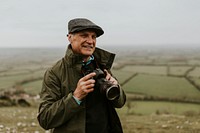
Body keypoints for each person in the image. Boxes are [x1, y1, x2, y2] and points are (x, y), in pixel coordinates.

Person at [37, 18, 126, 133]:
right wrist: (75, 97)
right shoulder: (54, 73)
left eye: (93, 37)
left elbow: (120, 103)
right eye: (84, 35)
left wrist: (116, 89)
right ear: (70, 38)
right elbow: (45, 119)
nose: (90, 41)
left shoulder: (102, 66)